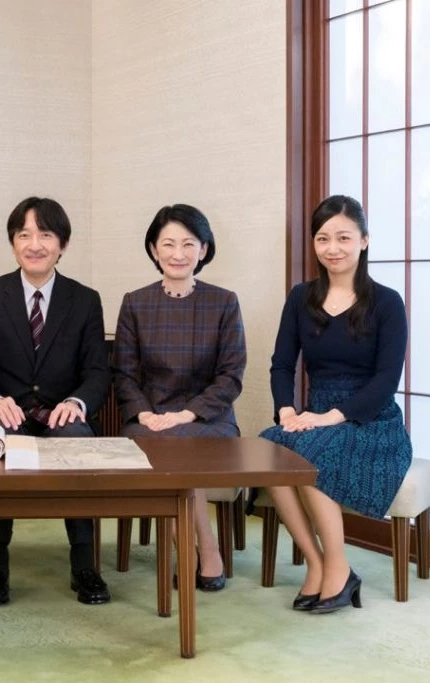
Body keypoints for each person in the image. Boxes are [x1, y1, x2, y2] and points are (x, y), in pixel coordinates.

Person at [260, 194, 412, 614]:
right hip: (314, 415)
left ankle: (339, 568)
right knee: (269, 448)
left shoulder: (387, 302)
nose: (333, 248)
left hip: (371, 420)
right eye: (323, 238)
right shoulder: (300, 297)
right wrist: (286, 411)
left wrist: (331, 417)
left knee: (310, 453)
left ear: (364, 240)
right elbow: (281, 364)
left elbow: (386, 381)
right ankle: (317, 562)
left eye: (344, 237)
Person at [0, 196, 112, 606]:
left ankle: (84, 564)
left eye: (45, 235)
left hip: (61, 414)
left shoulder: (85, 300)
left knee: (78, 441)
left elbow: (97, 371)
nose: (34, 245)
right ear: (13, 243)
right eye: (24, 235)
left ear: (63, 244)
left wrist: (77, 403)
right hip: (7, 415)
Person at [112, 203, 246, 591]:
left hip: (209, 420)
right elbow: (124, 374)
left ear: (204, 249)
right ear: (153, 249)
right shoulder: (136, 303)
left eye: (188, 244)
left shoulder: (223, 302)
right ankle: (199, 550)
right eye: (168, 244)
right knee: (162, 445)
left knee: (181, 447)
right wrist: (144, 414)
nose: (178, 253)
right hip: (150, 419)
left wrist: (188, 414)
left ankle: (200, 550)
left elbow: (231, 376)